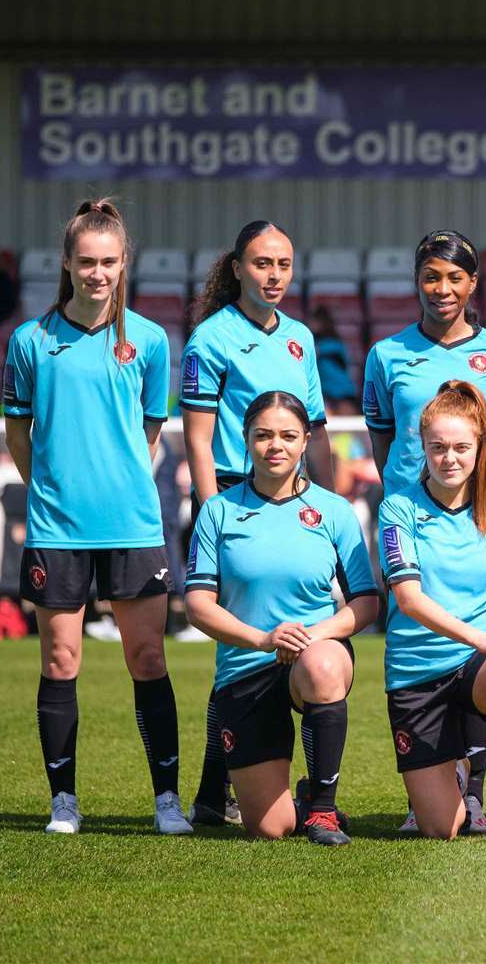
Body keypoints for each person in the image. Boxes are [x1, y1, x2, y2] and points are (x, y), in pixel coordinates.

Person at [2, 198, 191, 836]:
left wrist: (115, 482)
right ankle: (64, 802)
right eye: (87, 262)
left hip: (134, 527)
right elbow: (17, 433)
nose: (98, 273)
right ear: (67, 263)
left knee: (148, 658)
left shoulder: (151, 341)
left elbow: (151, 431)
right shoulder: (30, 341)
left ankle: (167, 801)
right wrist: (53, 489)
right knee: (60, 661)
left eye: (109, 262)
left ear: (123, 263)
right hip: (57, 530)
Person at [363, 229, 486, 832]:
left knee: (485, 643)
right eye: (432, 276)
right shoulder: (386, 355)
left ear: (472, 283)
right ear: (417, 280)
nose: (443, 288)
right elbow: (385, 439)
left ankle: (476, 786)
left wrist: (483, 504)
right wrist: (409, 494)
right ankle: (430, 785)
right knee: (422, 639)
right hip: (414, 521)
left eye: (455, 277)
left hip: (478, 519)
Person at [181, 220, 332, 827]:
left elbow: (313, 429)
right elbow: (195, 433)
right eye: (262, 263)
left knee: (295, 643)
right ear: (238, 267)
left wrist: (320, 503)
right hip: (233, 501)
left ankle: (214, 796)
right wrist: (214, 510)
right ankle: (215, 790)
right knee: (239, 655)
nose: (274, 275)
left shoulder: (300, 339)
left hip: (293, 503)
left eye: (284, 264)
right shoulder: (209, 339)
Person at [184, 392, 380, 844]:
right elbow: (198, 606)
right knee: (269, 829)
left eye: (289, 436)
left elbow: (367, 603)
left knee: (324, 664)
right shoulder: (218, 511)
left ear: (306, 440)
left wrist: (315, 635)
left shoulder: (333, 510)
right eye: (264, 435)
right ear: (246, 440)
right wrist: (262, 640)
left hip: (312, 657)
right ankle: (304, 801)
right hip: (246, 665)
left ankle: (324, 813)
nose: (276, 445)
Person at [377, 381, 486, 846]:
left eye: (460, 448)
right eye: (438, 448)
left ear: (479, 448)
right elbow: (409, 599)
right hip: (417, 673)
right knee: (440, 828)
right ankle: (454, 770)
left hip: (479, 669)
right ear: (423, 448)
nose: (449, 458)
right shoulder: (398, 508)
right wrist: (483, 638)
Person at [308, 306, 358, 405]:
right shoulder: (316, 342)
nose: (312, 324)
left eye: (315, 321)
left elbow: (313, 352)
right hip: (325, 392)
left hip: (342, 392)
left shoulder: (335, 344)